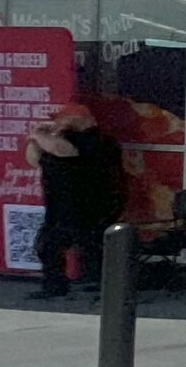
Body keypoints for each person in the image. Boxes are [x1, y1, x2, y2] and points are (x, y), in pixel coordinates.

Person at [23, 104, 123, 301]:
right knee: (48, 245)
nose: (57, 123)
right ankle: (54, 285)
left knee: (94, 247)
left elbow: (65, 151)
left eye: (62, 118)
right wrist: (36, 141)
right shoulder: (59, 139)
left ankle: (103, 287)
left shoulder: (98, 140)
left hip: (92, 205)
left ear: (77, 118)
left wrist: (39, 136)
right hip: (60, 206)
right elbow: (33, 160)